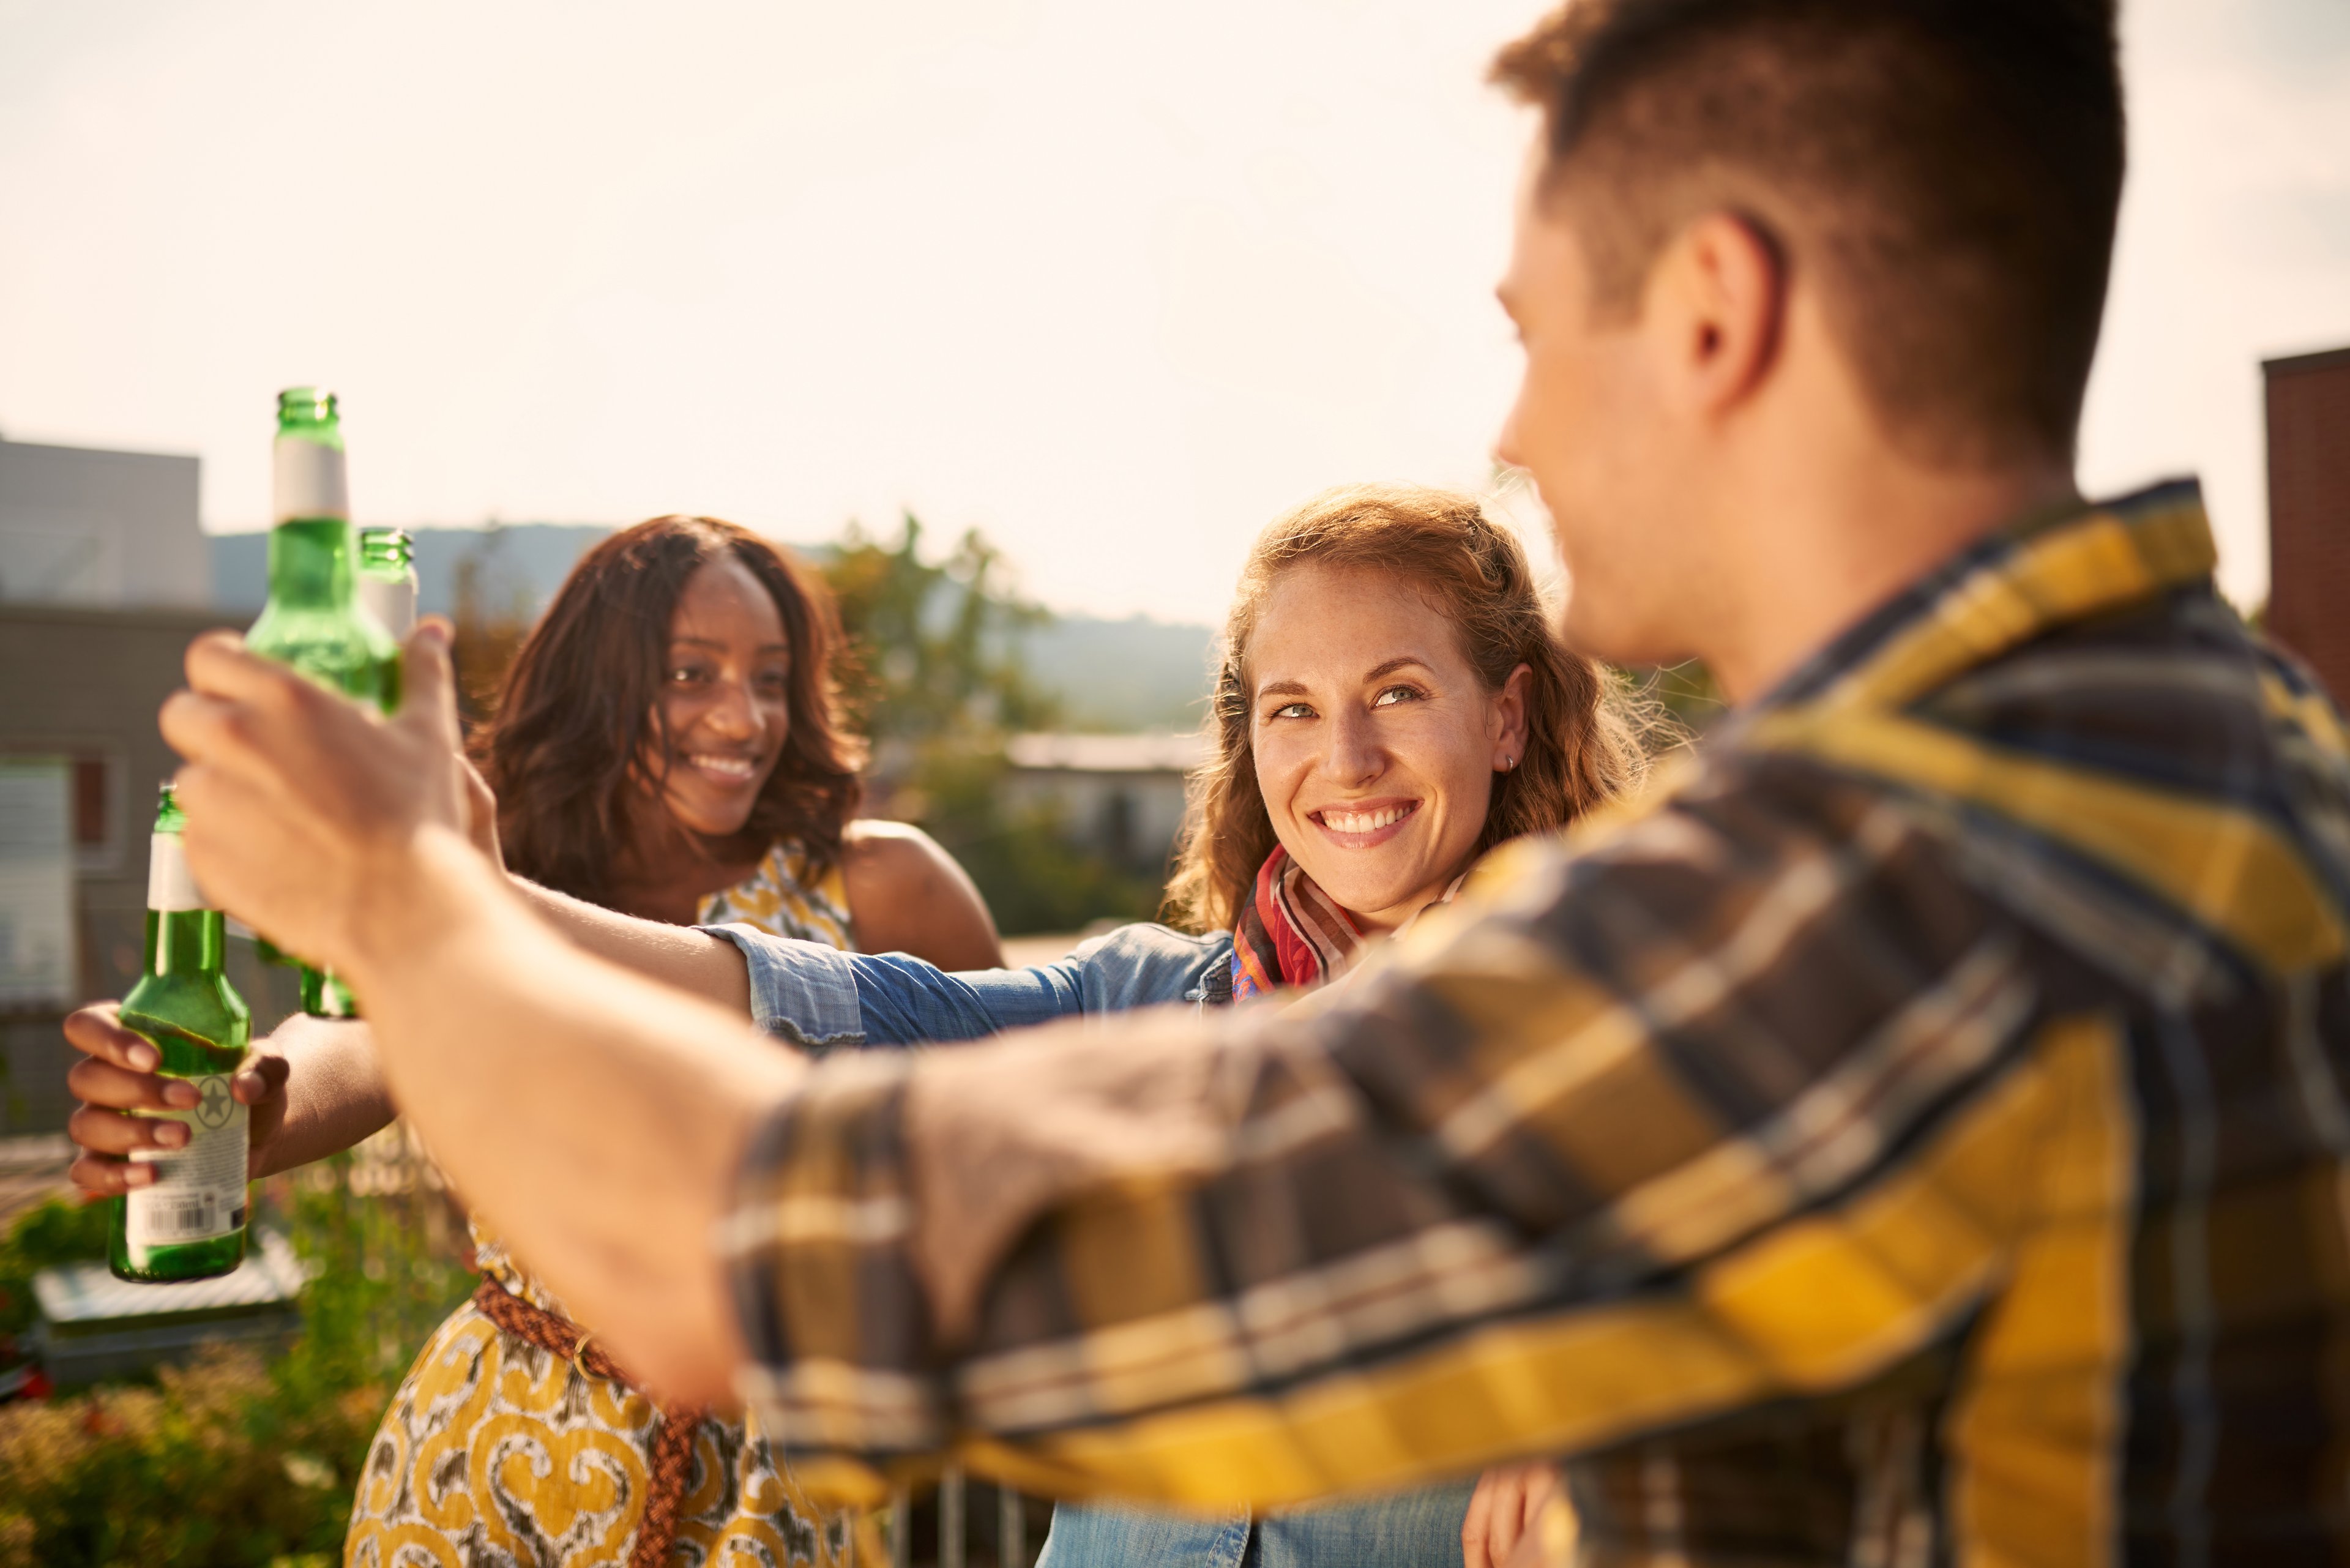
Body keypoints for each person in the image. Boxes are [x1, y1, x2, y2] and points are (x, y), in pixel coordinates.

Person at [142, 0, 2350, 1561]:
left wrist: (399, 892)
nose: (1519, 435)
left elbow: (775, 1271)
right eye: (1288, 707)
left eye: (1534, 325)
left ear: (1712, 312)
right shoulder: (2239, 774)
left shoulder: (1835, 898)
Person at [70, 484, 1625, 1566]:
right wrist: (440, 899)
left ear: (1506, 714)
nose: (1342, 754)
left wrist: (1598, 1398)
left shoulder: (1613, 1023)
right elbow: (838, 1013)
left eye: (1400, 692)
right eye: (1292, 706)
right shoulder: (1153, 997)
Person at [69, 513, 1000, 1568]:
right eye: (692, 674)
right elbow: (360, 1034)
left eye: (772, 679)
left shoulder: (883, 886)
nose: (743, 717)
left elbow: (1030, 1127)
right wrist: (259, 1104)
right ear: (600, 687)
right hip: (482, 1471)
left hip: (768, 1495)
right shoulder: (499, 874)